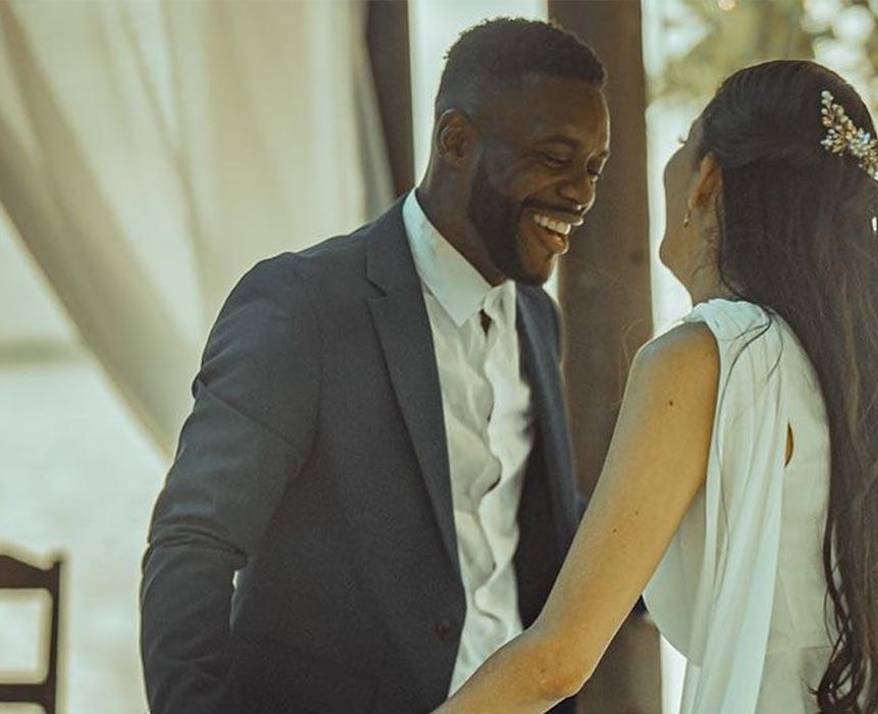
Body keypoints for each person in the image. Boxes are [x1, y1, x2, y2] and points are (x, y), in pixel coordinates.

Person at [434, 60, 878, 714]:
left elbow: (558, 661)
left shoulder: (701, 359)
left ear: (706, 181)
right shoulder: (851, 370)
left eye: (684, 141)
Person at [139, 18, 609, 714]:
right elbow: (194, 544)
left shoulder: (538, 321)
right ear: (456, 141)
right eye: (554, 157)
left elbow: (528, 532)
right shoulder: (304, 305)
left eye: (594, 168)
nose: (581, 194)